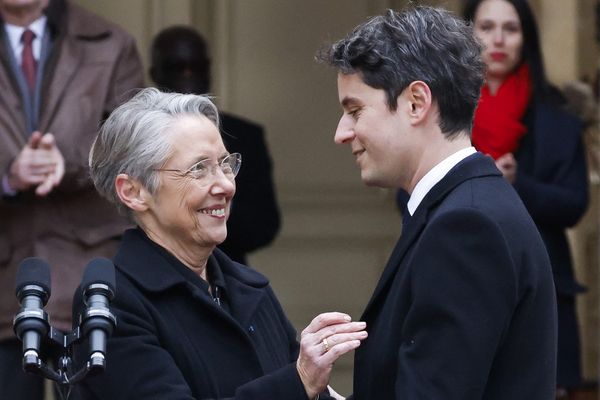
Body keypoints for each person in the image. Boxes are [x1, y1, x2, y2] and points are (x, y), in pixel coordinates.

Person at [317, 6, 557, 399]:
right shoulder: (465, 208)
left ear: (416, 102)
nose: (342, 133)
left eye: (355, 110)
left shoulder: (466, 227)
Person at [77, 88, 367, 399]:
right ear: (134, 192)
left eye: (226, 164)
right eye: (199, 169)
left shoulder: (248, 289)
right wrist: (299, 381)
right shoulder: (112, 302)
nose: (226, 185)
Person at [0, 0, 143, 398]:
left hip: (88, 269)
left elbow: (133, 144)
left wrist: (68, 163)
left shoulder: (110, 42)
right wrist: (8, 176)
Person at [463, 1, 589, 395]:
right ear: (468, 34)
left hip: (542, 291)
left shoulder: (557, 115)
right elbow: (407, 199)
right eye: (486, 26)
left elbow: (574, 203)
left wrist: (518, 185)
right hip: (461, 286)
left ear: (526, 38)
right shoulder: (440, 110)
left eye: (511, 28)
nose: (498, 39)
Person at [150, 26, 280, 264]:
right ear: (155, 73)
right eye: (176, 67)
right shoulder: (135, 140)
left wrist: (206, 211)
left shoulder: (245, 136)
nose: (187, 75)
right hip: (150, 272)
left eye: (196, 67)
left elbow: (264, 226)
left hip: (224, 273)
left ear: (209, 71)